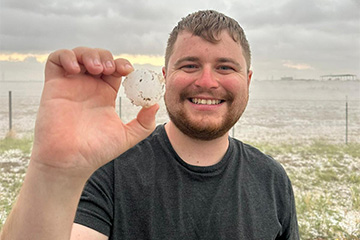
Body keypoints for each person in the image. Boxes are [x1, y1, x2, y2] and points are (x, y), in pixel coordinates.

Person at [1, 10, 299, 240]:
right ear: (164, 78)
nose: (207, 81)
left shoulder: (272, 180)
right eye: (190, 65)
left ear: (247, 80)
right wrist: (53, 173)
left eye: (225, 67)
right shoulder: (110, 169)